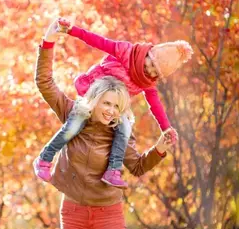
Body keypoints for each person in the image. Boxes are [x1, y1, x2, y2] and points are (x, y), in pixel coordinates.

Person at [32, 19, 178, 229]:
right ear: (95, 99)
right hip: (73, 213)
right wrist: (48, 42)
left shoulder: (121, 132)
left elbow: (138, 167)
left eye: (117, 107)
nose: (111, 111)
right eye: (106, 104)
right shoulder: (73, 113)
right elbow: (44, 82)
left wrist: (159, 150)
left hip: (108, 214)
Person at [36, 17, 192, 188]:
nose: (149, 70)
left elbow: (156, 106)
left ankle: (113, 170)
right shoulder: (125, 51)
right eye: (151, 63)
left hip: (117, 107)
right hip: (94, 96)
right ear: (149, 53)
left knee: (125, 127)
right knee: (74, 124)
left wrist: (166, 128)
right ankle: (45, 158)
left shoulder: (147, 83)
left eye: (155, 72)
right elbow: (98, 41)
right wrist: (72, 30)